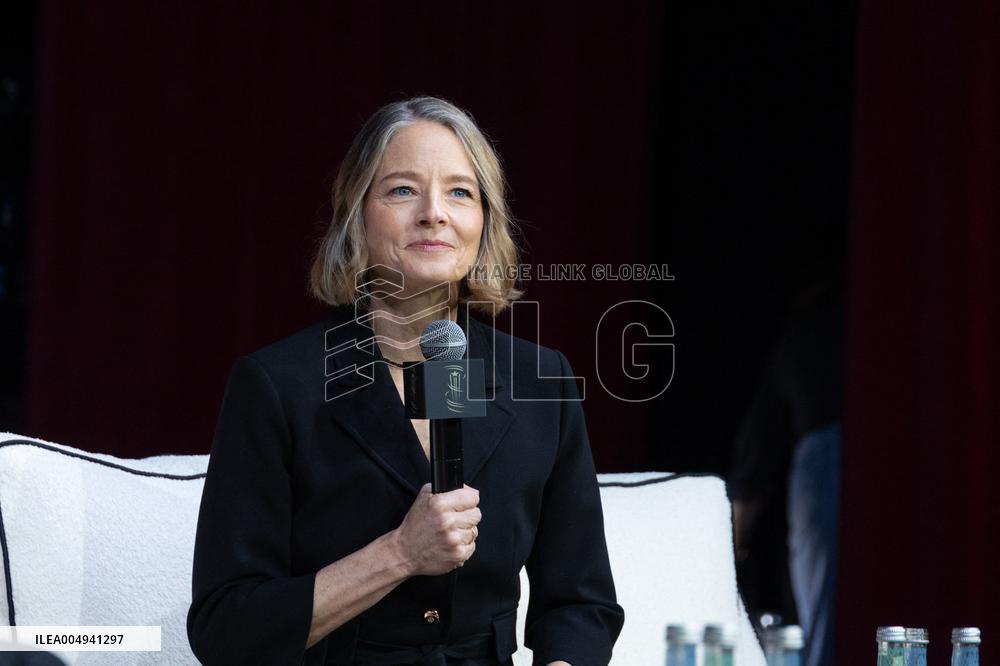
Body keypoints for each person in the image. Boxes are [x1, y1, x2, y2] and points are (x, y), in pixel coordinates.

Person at [187, 96, 624, 666]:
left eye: (460, 192)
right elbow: (226, 628)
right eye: (402, 190)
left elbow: (580, 603)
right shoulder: (277, 386)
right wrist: (399, 553)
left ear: (484, 222)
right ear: (357, 217)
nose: (434, 213)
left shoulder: (541, 383)